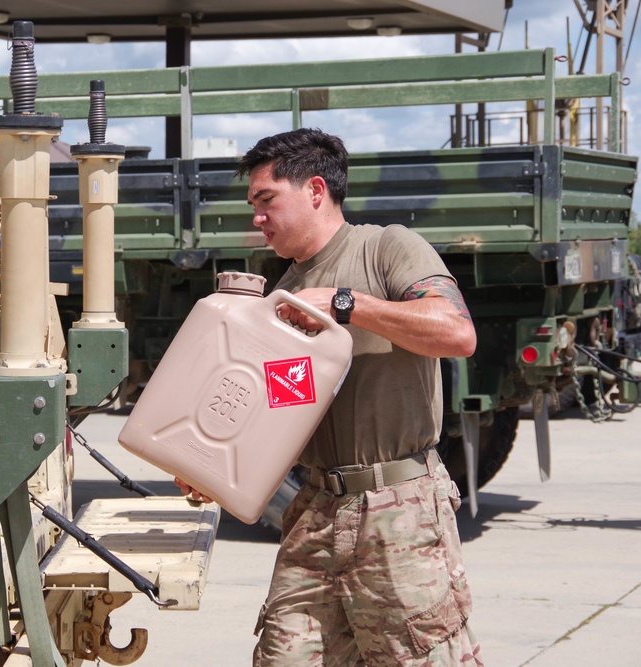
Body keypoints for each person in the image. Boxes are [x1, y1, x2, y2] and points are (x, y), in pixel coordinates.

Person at [176, 127, 481, 666]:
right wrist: (216, 469)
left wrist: (345, 304)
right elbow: (284, 410)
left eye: (266, 199)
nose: (257, 217)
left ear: (316, 190)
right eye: (253, 204)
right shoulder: (282, 293)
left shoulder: (387, 247)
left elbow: (456, 332)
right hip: (316, 508)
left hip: (399, 509)